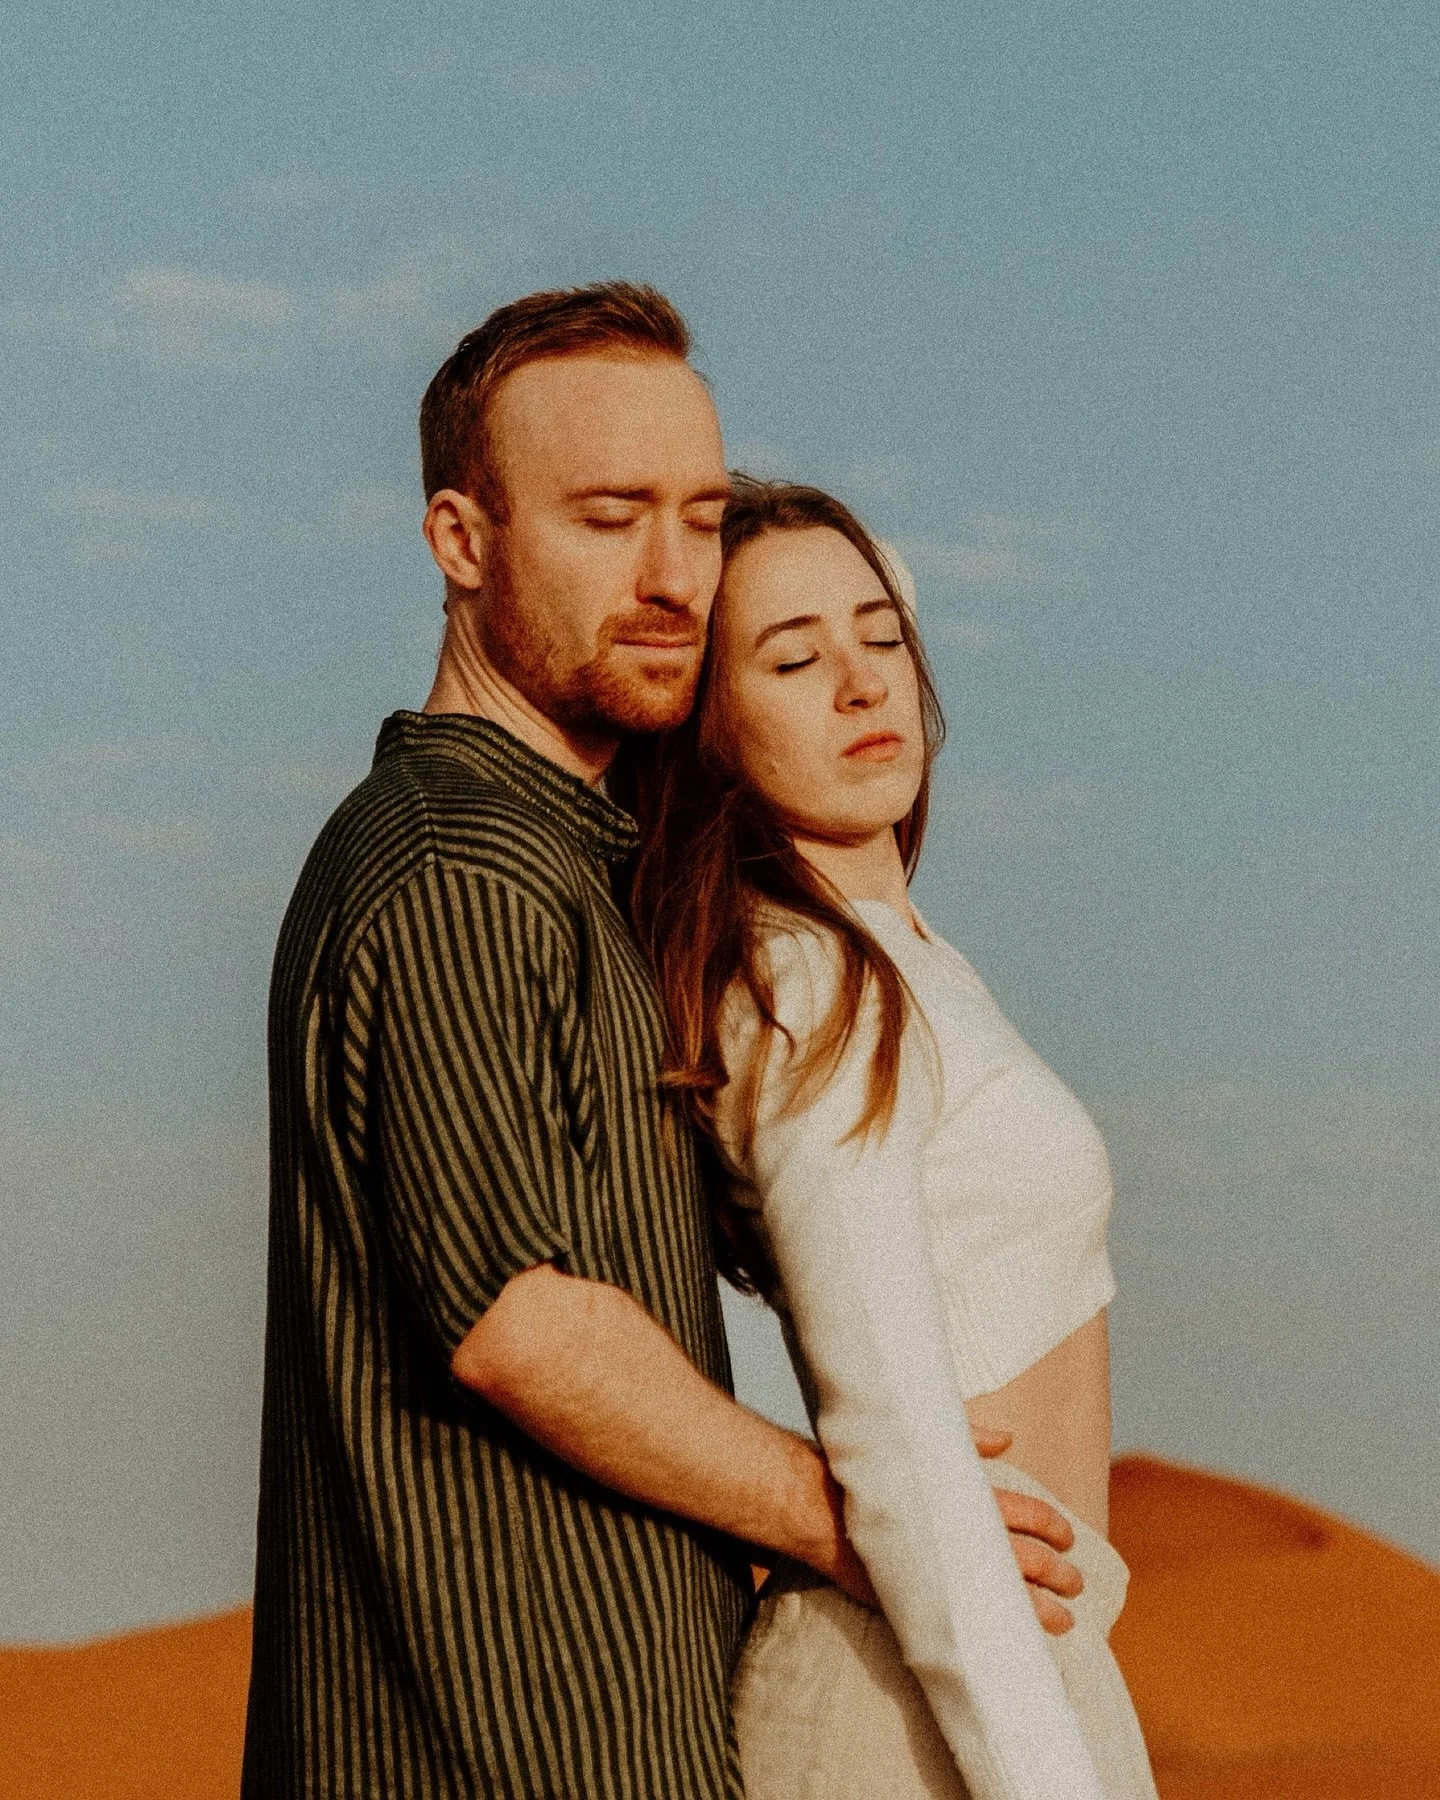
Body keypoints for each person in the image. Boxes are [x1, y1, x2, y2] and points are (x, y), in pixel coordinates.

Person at [242, 285, 1086, 1800]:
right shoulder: (458, 861)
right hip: (495, 1756)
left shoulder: (580, 872)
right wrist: (860, 1514)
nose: (672, 575)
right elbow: (514, 1317)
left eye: (698, 519)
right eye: (609, 515)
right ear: (462, 540)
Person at [625, 477, 1160, 1798]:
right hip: (919, 1689)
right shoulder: (807, 983)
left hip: (1016, 1658)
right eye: (795, 659)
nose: (864, 684)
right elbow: (895, 1431)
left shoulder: (902, 958)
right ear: (713, 729)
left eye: (882, 635)